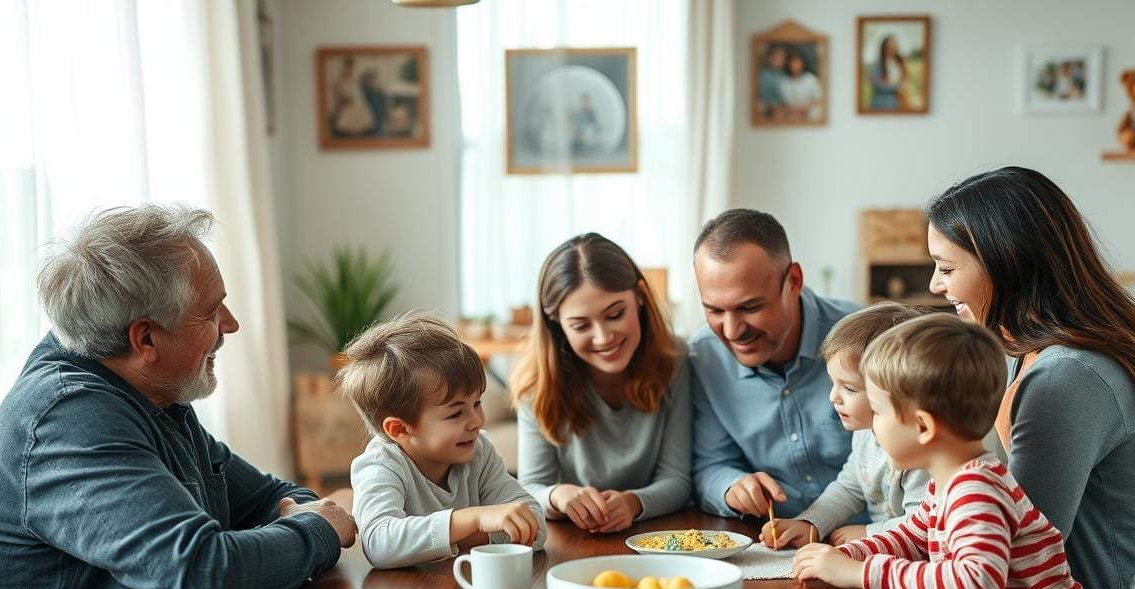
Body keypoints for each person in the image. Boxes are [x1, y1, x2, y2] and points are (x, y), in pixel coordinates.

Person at [0, 205, 358, 589]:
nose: (231, 325)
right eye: (212, 311)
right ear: (145, 339)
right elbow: (204, 574)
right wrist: (317, 528)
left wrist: (294, 521)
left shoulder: (148, 389)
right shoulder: (71, 419)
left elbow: (267, 497)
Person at [925, 166, 1135, 589]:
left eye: (948, 268)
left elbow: (1019, 549)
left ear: (1007, 262)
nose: (936, 284)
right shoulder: (1030, 355)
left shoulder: (1065, 378)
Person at [793, 314, 1103, 589]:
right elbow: (914, 535)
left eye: (878, 412)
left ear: (922, 427)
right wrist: (846, 556)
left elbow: (975, 584)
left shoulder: (976, 490)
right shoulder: (951, 482)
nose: (872, 426)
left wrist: (861, 573)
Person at [510, 234, 692, 534]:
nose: (604, 337)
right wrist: (559, 496)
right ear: (556, 323)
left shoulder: (677, 360)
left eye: (616, 314)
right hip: (574, 540)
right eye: (581, 326)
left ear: (641, 296)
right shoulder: (537, 384)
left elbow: (679, 479)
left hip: (659, 534)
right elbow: (530, 487)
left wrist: (633, 503)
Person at [690, 208, 859, 522]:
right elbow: (709, 465)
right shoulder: (704, 357)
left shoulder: (867, 338)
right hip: (771, 547)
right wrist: (731, 486)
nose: (731, 331)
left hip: (876, 543)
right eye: (714, 310)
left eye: (750, 307)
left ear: (793, 281)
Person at [339, 312, 545, 569]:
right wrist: (475, 520)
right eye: (456, 413)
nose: (477, 421)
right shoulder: (380, 465)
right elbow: (379, 544)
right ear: (399, 429)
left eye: (477, 403)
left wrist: (449, 538)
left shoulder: (479, 451)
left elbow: (534, 524)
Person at [761, 303, 929, 550]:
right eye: (833, 383)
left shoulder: (921, 451)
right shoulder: (864, 434)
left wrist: (869, 534)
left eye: (849, 388)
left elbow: (925, 527)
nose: (833, 398)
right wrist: (810, 523)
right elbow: (849, 488)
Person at [779, 49, 823, 120]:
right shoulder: (784, 82)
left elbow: (818, 99)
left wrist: (803, 109)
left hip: (809, 112)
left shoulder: (811, 79)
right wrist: (794, 111)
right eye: (792, 62)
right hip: (791, 113)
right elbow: (783, 102)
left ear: (803, 63)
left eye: (798, 62)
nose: (795, 65)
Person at [867, 34, 909, 110]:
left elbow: (905, 80)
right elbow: (878, 85)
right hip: (882, 102)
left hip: (900, 101)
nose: (891, 49)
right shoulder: (876, 65)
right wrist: (897, 86)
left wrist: (893, 83)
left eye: (893, 46)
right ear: (884, 48)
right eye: (889, 46)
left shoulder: (899, 63)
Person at [758, 44, 789, 119]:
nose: (780, 59)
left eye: (782, 57)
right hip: (765, 111)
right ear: (770, 57)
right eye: (777, 56)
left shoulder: (785, 76)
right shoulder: (762, 75)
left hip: (784, 112)